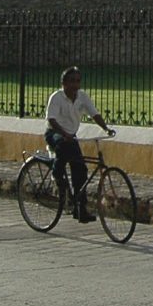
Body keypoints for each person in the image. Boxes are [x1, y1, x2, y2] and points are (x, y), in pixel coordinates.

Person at [44, 66, 115, 222]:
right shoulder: (56, 97)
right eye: (71, 81)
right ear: (64, 83)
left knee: (80, 171)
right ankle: (57, 173)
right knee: (62, 147)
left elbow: (94, 113)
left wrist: (106, 128)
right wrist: (64, 134)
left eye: (77, 81)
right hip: (55, 133)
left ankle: (80, 209)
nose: (75, 85)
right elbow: (51, 120)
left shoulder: (82, 97)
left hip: (72, 137)